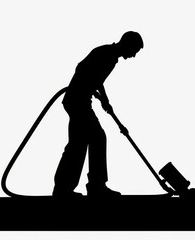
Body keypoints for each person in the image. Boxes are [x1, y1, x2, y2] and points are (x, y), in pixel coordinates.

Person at [53, 31, 144, 198]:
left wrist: (103, 98)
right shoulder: (106, 53)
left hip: (79, 100)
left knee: (78, 143)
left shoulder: (111, 56)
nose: (133, 56)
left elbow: (97, 79)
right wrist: (95, 91)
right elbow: (82, 68)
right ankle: (94, 186)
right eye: (135, 51)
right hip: (77, 100)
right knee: (97, 137)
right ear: (127, 44)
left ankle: (65, 188)